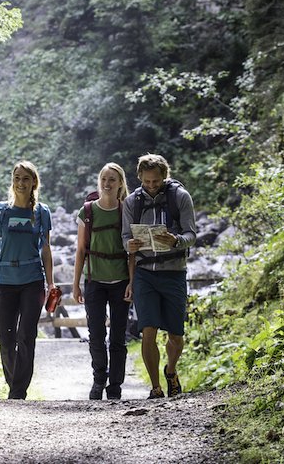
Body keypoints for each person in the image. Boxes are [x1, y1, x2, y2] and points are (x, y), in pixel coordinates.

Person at [121, 153, 196, 399]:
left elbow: (191, 235)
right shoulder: (133, 202)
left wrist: (176, 240)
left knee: (176, 334)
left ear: (165, 176)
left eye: (156, 181)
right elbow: (124, 237)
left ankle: (171, 370)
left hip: (174, 272)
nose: (151, 186)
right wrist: (129, 245)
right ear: (140, 178)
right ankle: (155, 386)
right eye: (147, 182)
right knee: (148, 331)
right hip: (144, 274)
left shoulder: (180, 197)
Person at [0, 160, 55, 399]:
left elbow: (46, 249)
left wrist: (51, 283)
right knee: (5, 337)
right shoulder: (1, 211)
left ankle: (17, 392)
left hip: (33, 281)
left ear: (34, 183)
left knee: (26, 335)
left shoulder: (42, 213)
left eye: (25, 179)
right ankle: (15, 384)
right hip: (6, 281)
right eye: (17, 178)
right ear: (12, 182)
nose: (20, 183)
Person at [72, 163, 133, 400]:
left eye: (112, 180)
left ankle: (115, 385)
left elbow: (132, 252)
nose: (107, 184)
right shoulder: (87, 211)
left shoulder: (126, 211)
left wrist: (132, 282)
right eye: (104, 180)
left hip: (120, 282)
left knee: (118, 336)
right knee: (96, 334)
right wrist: (75, 284)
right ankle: (99, 380)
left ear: (120, 184)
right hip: (94, 281)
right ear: (100, 182)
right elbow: (80, 251)